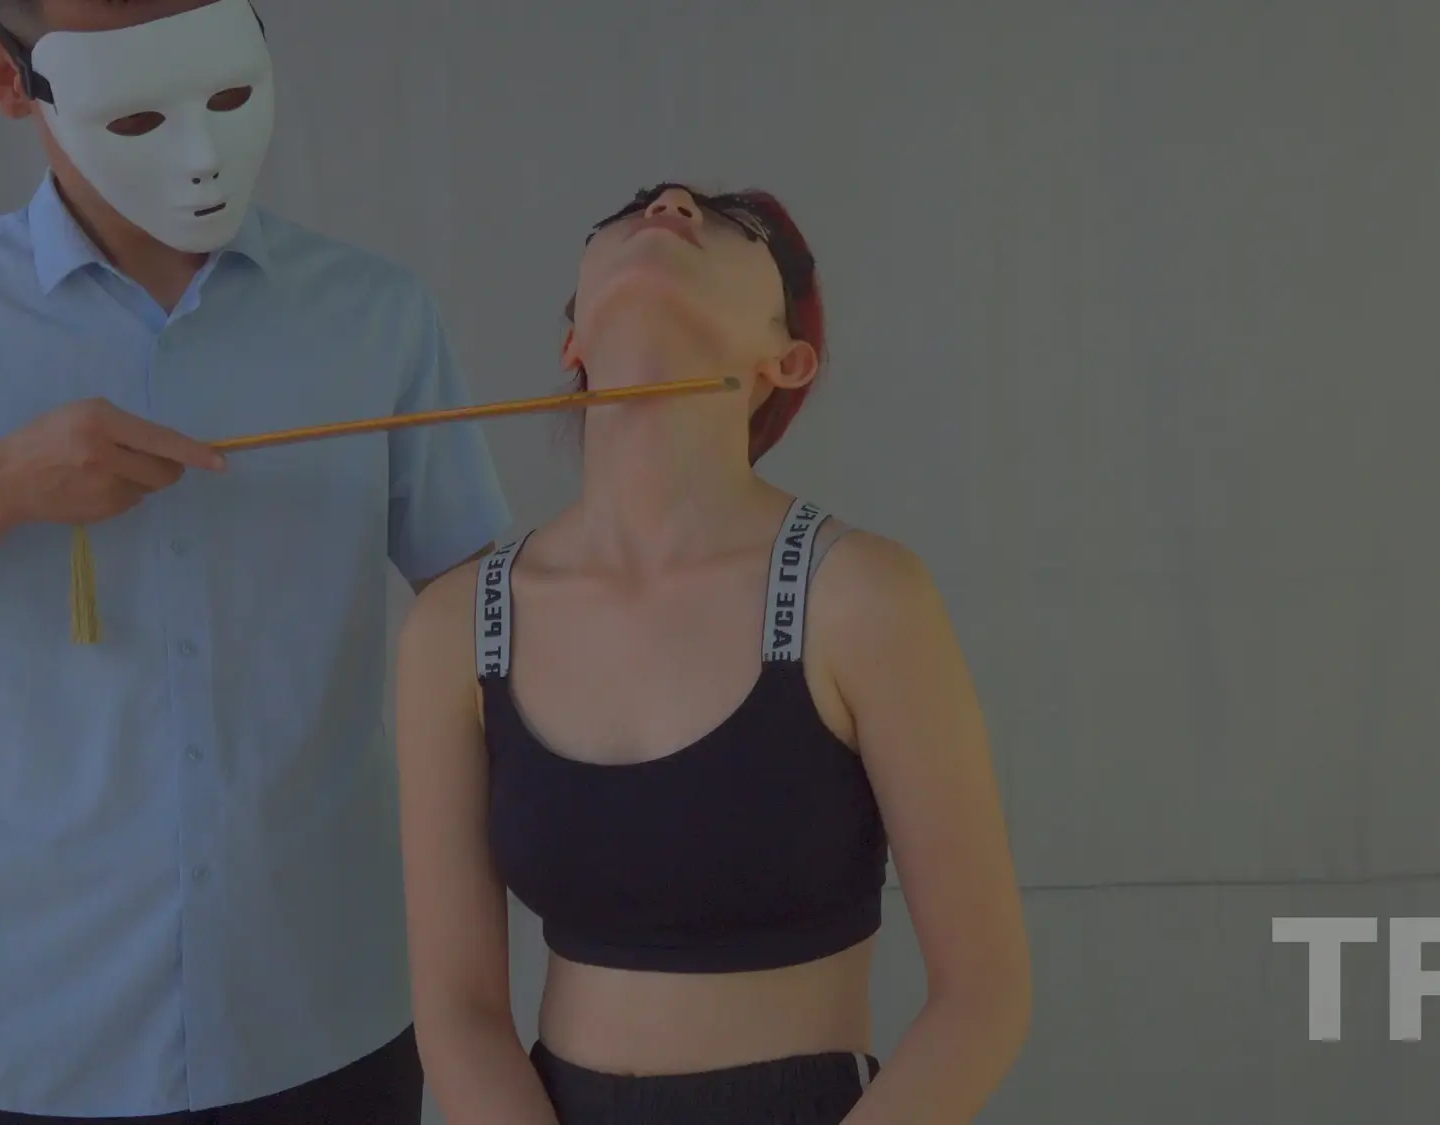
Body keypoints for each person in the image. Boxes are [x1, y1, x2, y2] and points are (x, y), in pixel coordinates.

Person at [0, 1, 509, 1122]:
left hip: (327, 1023)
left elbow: (493, 630)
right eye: (135, 111)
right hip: (21, 1049)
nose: (199, 148)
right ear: (7, 79)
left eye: (229, 93)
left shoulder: (376, 317)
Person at [393, 182, 1033, 1125]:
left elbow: (983, 996)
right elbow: (460, 1012)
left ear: (787, 359)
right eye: (630, 210)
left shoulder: (863, 597)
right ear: (573, 344)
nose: (673, 204)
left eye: (737, 228)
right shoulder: (456, 628)